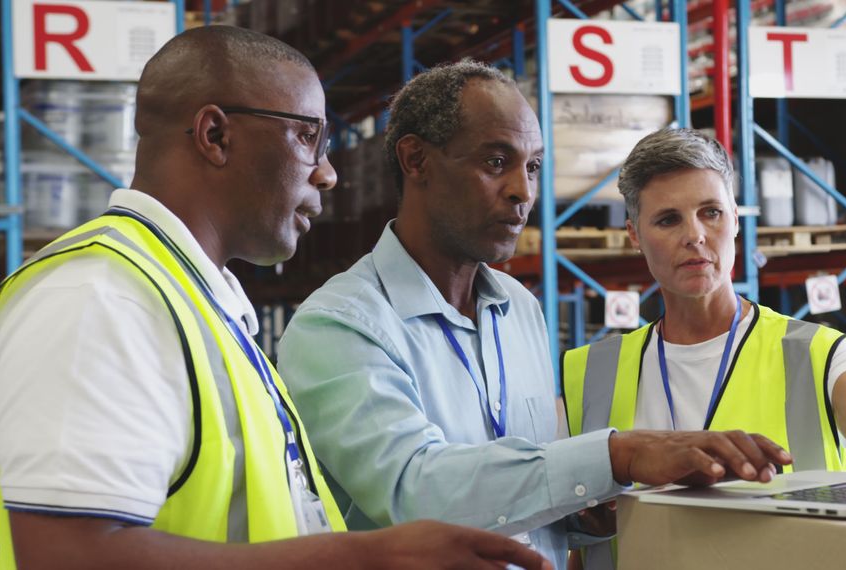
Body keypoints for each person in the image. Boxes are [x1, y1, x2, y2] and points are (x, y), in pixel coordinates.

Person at [0, 26, 552, 570]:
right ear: (215, 136)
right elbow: (68, 555)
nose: (327, 174)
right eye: (308, 137)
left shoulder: (198, 304)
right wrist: (362, 558)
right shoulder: (101, 298)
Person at [276, 60, 793, 570]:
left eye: (533, 166)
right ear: (416, 160)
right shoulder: (340, 325)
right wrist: (617, 456)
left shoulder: (518, 310)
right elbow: (415, 491)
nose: (523, 192)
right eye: (497, 162)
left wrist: (584, 512)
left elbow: (524, 486)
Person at [561, 127, 846, 567]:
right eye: (668, 219)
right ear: (635, 234)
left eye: (711, 212)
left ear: (735, 219)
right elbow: (576, 543)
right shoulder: (587, 374)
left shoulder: (821, 355)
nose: (694, 235)